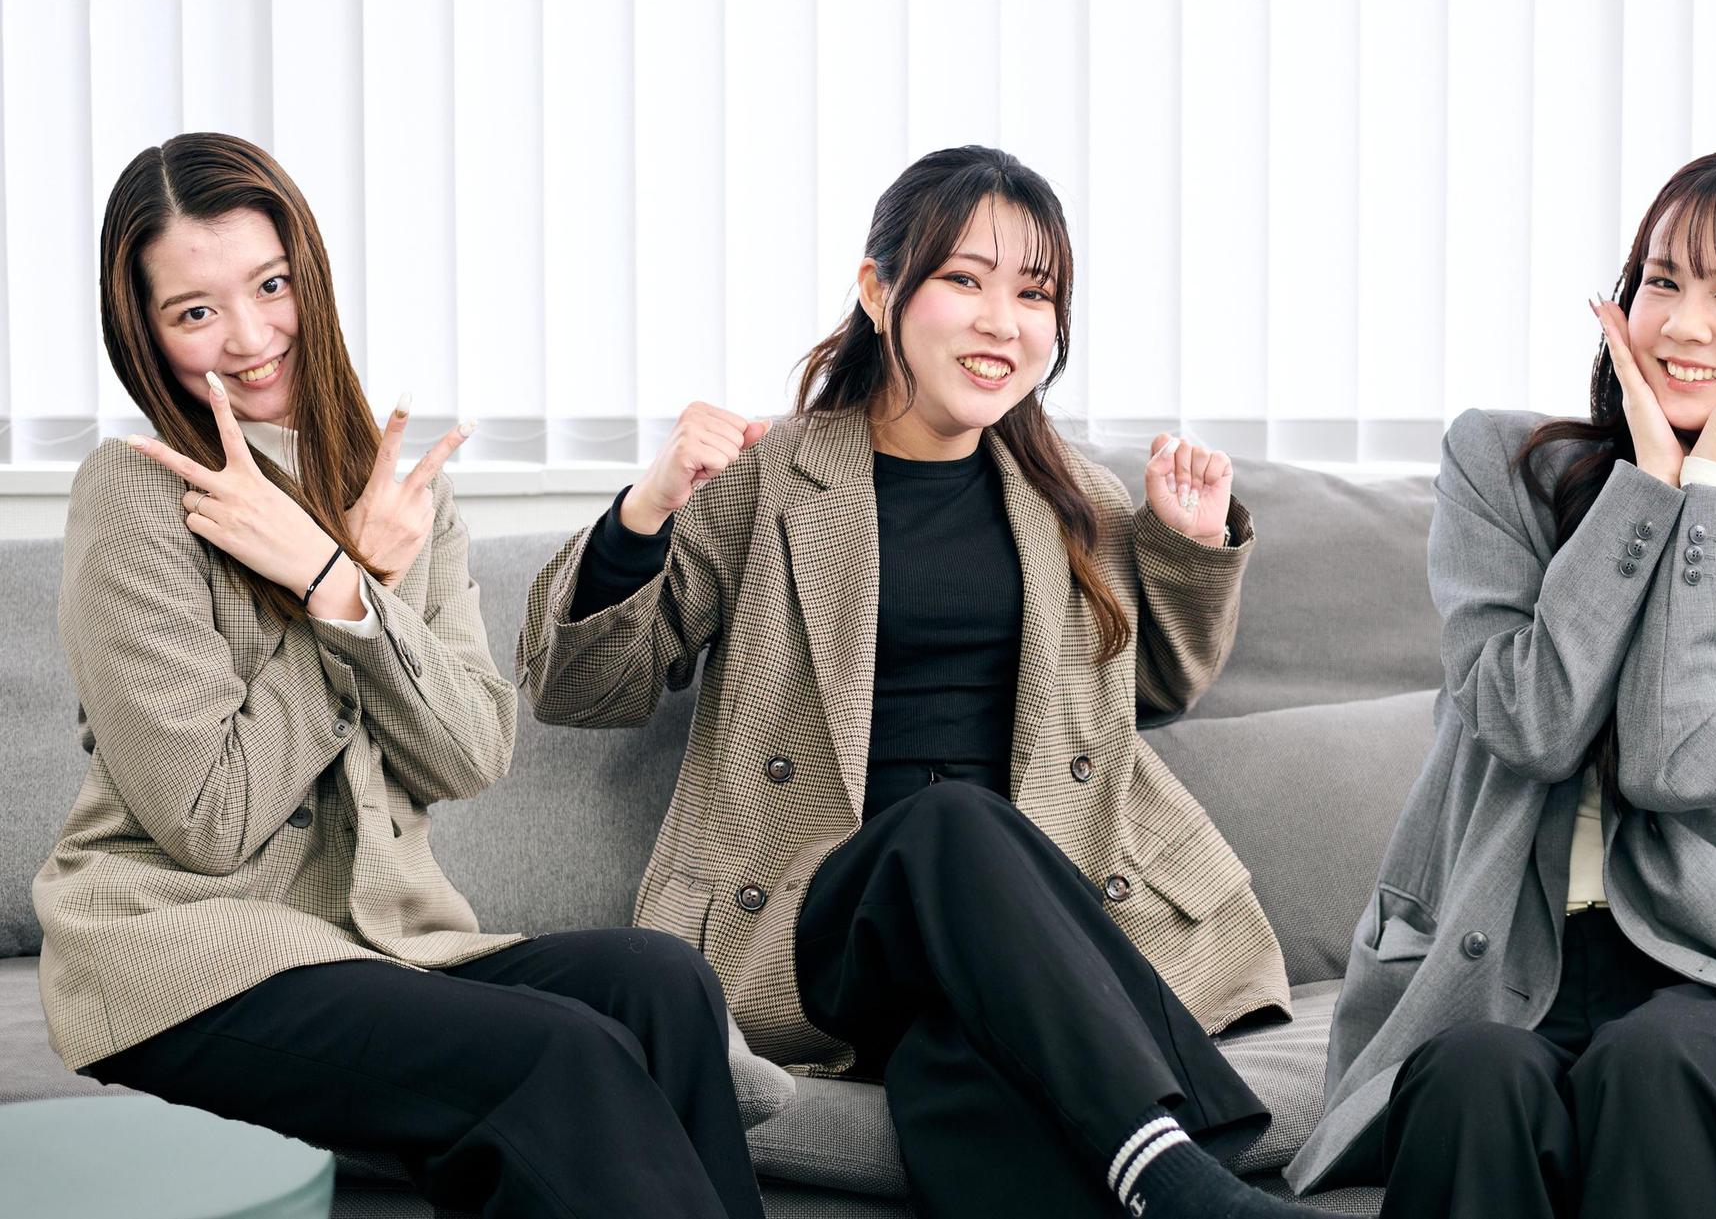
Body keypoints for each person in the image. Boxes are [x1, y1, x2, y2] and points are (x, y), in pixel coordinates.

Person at [518, 146, 1333, 1218]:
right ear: (878, 290)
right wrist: (646, 512)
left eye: (1034, 294)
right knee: (952, 821)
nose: (1003, 322)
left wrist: (1186, 549)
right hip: (825, 913)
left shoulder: (1075, 498)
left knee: (961, 1059)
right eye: (964, 279)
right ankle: (1190, 1180)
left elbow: (1154, 692)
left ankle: (1164, 1185)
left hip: (1016, 930)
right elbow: (581, 689)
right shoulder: (768, 478)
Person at [34, 132, 764, 1219]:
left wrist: (347, 584)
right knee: (560, 1054)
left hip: (378, 939)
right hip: (184, 949)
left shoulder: (399, 488)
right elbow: (210, 820)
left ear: (309, 276)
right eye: (194, 312)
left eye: (270, 286)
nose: (250, 339)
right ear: (143, 332)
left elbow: (471, 751)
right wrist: (350, 581)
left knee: (660, 982)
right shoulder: (136, 493)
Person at [1284, 148, 1716, 1218]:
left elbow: (1670, 764)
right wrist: (1646, 487)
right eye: (1662, 281)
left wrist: (1713, 494)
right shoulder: (1500, 470)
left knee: (1656, 1063)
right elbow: (1534, 725)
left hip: (1712, 975)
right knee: (1473, 1078)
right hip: (1491, 961)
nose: (1683, 324)